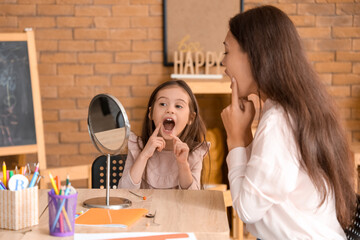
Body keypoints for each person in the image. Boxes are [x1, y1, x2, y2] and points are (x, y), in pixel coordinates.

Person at [220, 5, 356, 240]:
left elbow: (246, 210)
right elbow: (260, 184)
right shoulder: (288, 110)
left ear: (254, 56)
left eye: (226, 52)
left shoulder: (279, 121)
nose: (222, 64)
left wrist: (235, 138)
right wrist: (244, 137)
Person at [118, 80, 209, 189]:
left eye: (178, 106)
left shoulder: (195, 153)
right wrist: (144, 155)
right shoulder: (137, 147)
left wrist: (183, 164)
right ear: (151, 113)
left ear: (191, 118)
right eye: (163, 104)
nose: (170, 110)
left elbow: (193, 201)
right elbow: (123, 192)